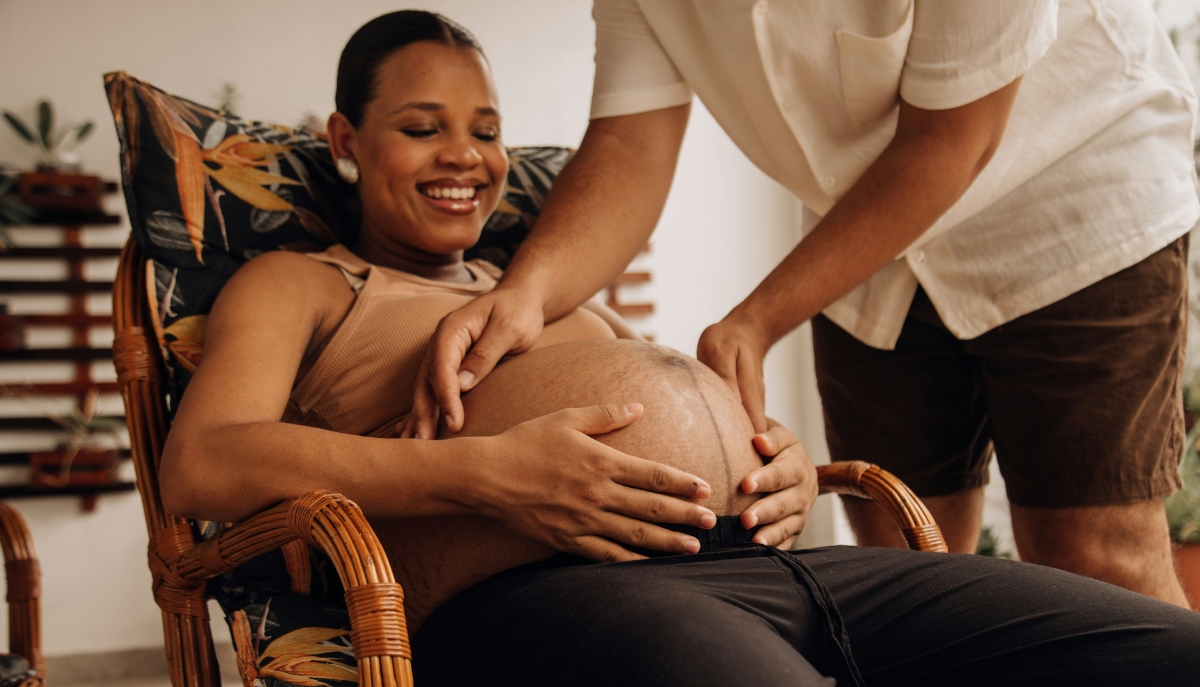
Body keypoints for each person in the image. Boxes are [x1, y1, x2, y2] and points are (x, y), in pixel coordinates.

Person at [160, 11, 1200, 687]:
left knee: (1158, 652)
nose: (466, 156)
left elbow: (680, 416)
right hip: (543, 600)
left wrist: (771, 458)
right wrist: (480, 472)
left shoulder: (543, 295)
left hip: (773, 566)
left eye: (484, 127)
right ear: (346, 144)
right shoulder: (298, 283)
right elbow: (201, 462)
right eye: (422, 127)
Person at [415, 0, 1200, 606]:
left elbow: (951, 139)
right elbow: (629, 143)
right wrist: (525, 292)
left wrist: (757, 319)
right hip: (861, 228)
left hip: (1069, 186)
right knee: (903, 562)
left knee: (1097, 560)